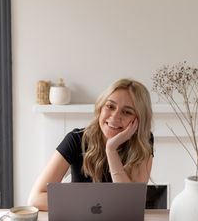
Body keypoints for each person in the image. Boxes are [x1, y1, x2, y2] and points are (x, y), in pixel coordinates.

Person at [28, 78, 154, 211]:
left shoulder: (144, 141)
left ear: (139, 120)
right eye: (110, 106)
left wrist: (111, 150)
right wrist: (90, 206)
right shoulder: (75, 139)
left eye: (127, 112)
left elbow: (131, 204)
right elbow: (36, 198)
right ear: (101, 108)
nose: (115, 117)